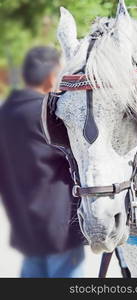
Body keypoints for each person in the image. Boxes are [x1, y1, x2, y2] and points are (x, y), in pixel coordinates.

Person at [0, 46, 84, 278]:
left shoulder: (6, 112)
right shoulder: (47, 112)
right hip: (60, 228)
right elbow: (77, 156)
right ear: (50, 76)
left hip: (25, 227)